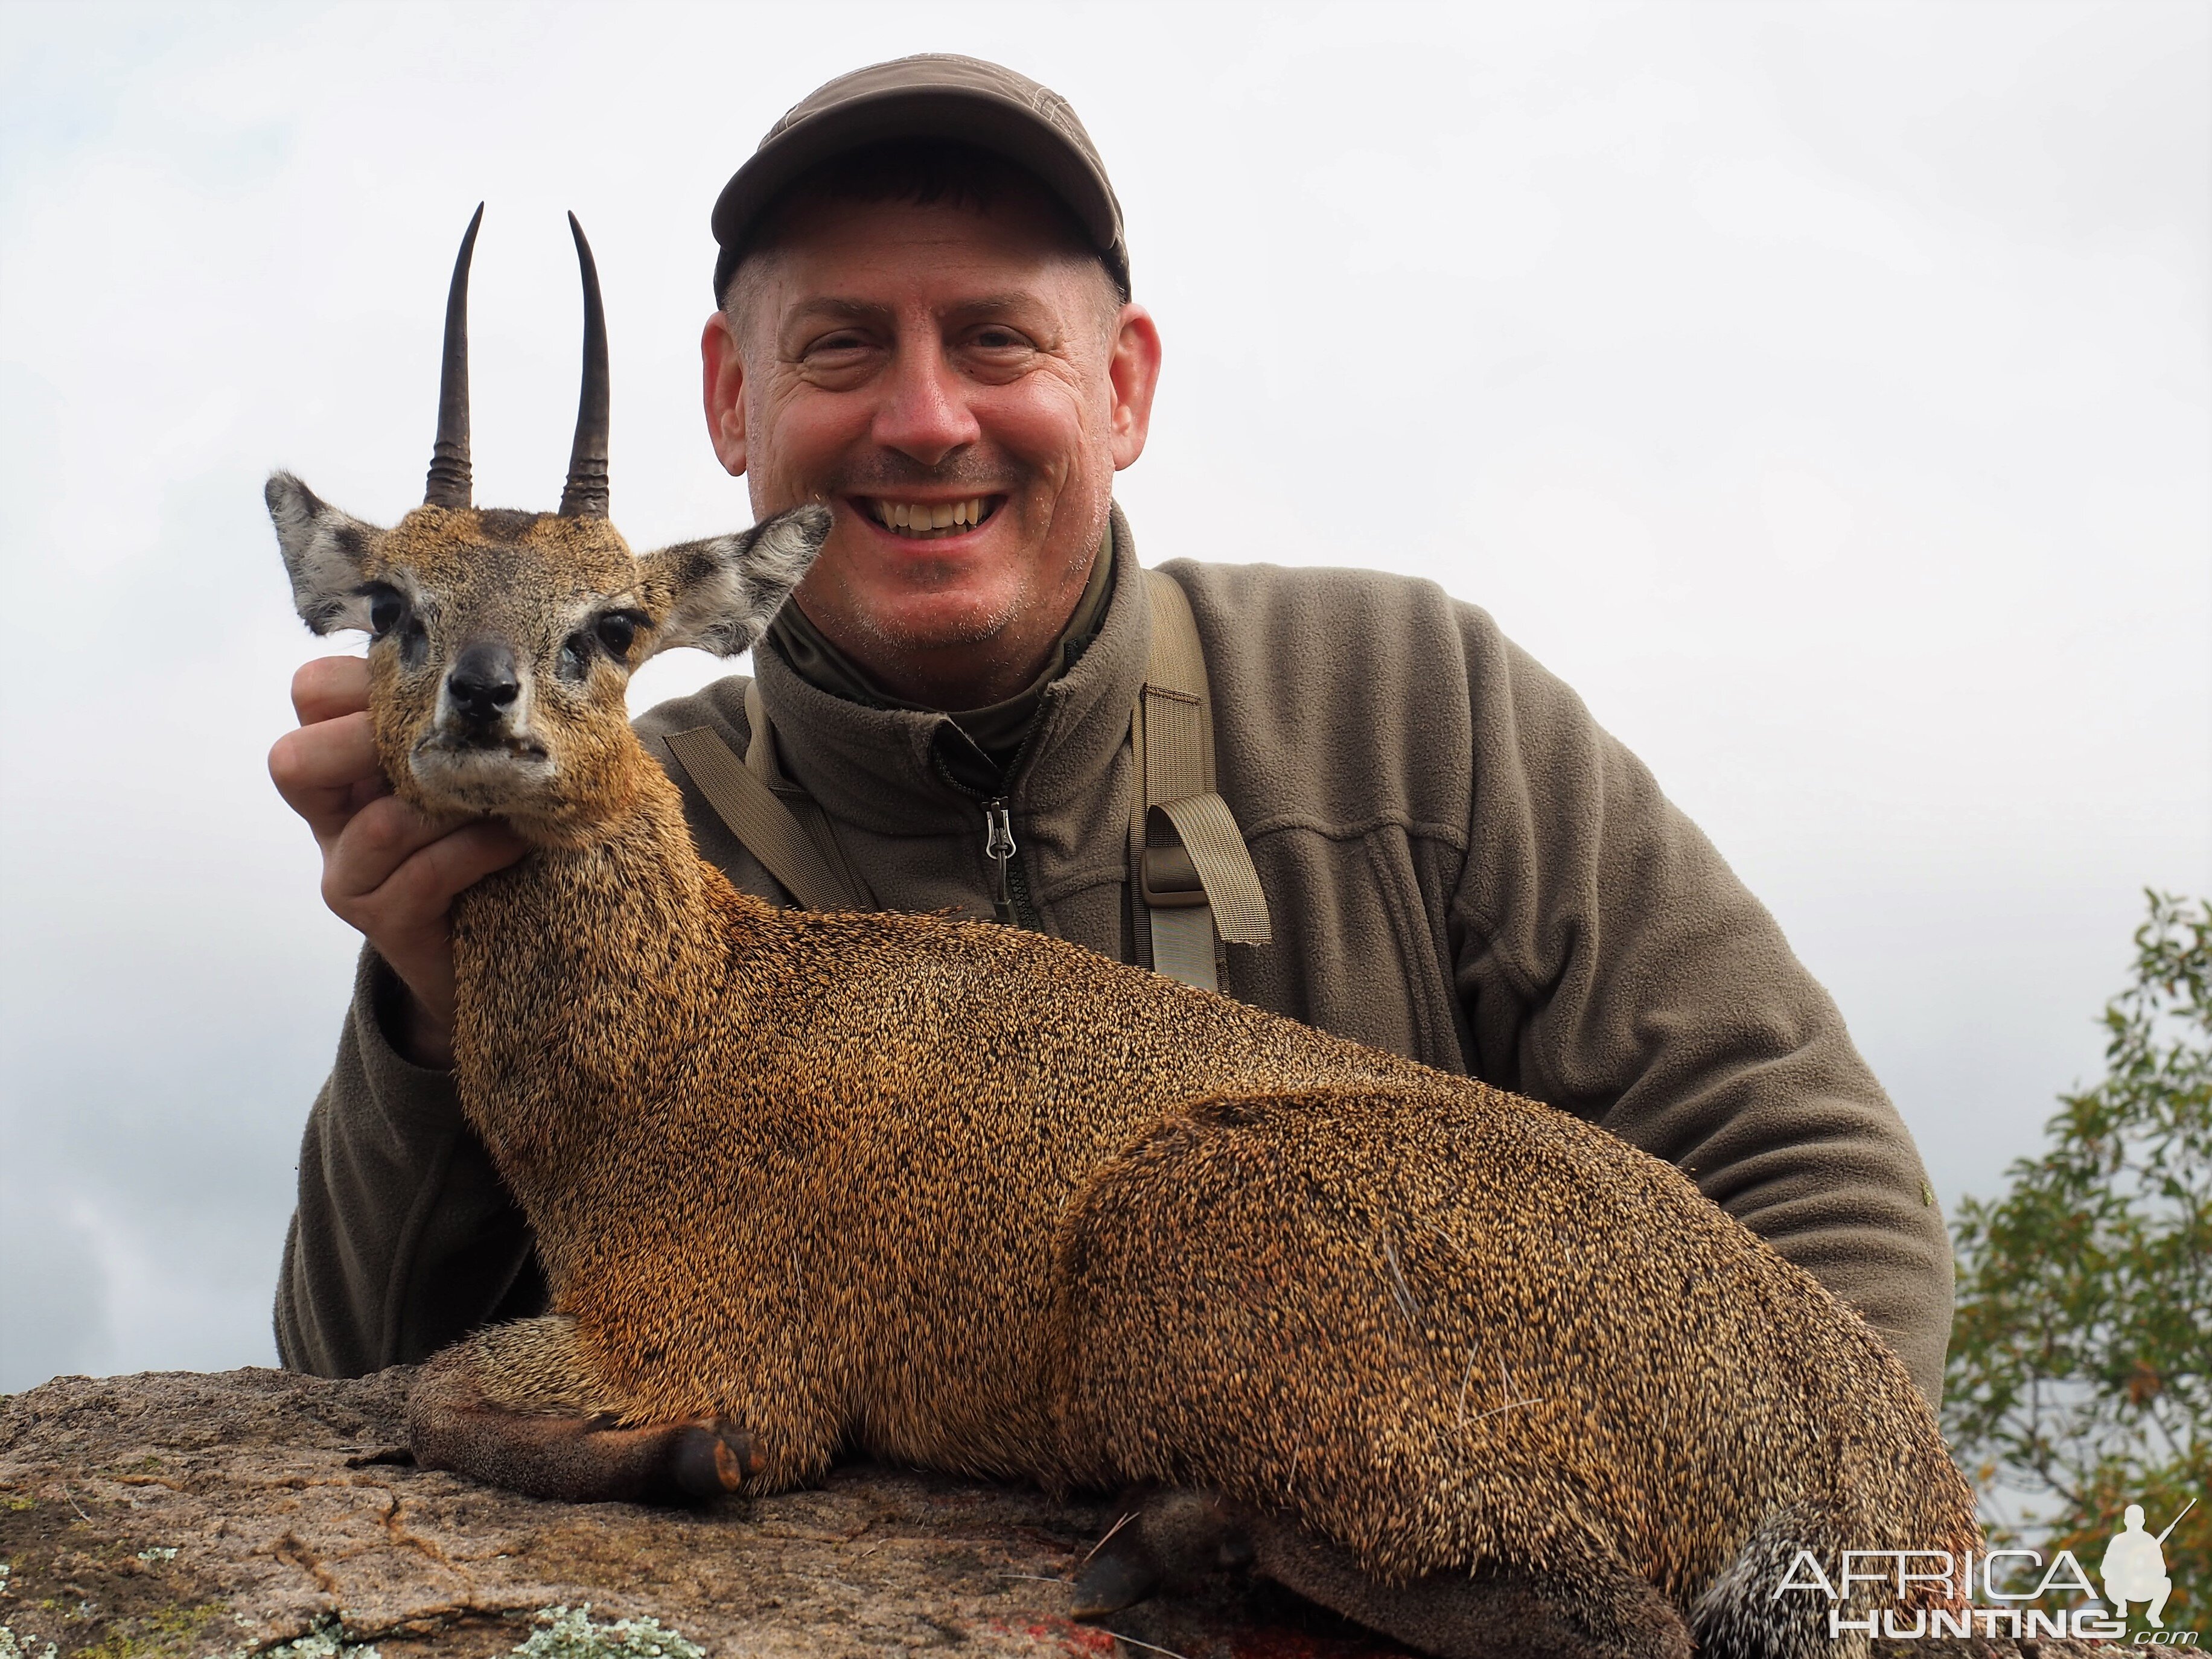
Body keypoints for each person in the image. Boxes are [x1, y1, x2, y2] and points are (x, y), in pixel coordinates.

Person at [269, 54, 1955, 1404]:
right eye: (845, 347)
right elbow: (359, 1381)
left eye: (996, 339)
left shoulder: (1397, 698)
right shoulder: (622, 829)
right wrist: (431, 1017)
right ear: (731, 399)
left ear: (1123, 384)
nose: (927, 421)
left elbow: (1809, 1181)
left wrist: (1768, 1564)